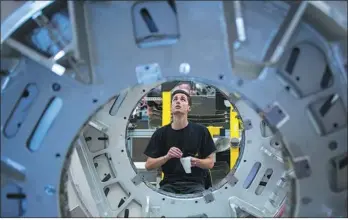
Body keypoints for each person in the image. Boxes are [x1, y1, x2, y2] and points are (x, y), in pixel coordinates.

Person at [144, 88, 217, 194]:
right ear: (170, 107)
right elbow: (148, 165)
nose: (178, 101)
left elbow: (210, 163)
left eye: (183, 99)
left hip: (195, 184)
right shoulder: (160, 134)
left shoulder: (201, 131)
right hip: (169, 185)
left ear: (189, 108)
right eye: (175, 99)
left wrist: (196, 161)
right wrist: (167, 157)